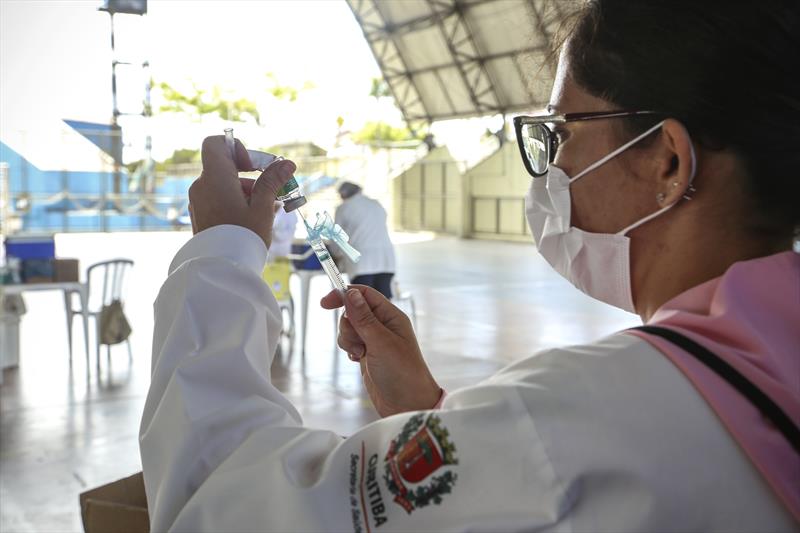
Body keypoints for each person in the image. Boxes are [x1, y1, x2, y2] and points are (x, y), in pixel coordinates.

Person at [140, 1, 799, 531]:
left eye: (562, 133)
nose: (553, 168)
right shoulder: (766, 362)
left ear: (667, 162)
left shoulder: (580, 419)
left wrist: (221, 254)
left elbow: (218, 502)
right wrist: (431, 411)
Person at [333, 181, 396, 299]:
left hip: (362, 260)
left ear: (342, 195)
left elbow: (337, 237)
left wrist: (335, 254)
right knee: (384, 303)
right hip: (385, 257)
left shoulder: (343, 208)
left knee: (364, 301)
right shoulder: (376, 203)